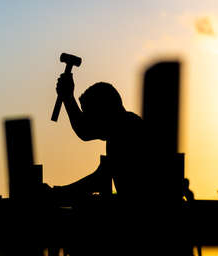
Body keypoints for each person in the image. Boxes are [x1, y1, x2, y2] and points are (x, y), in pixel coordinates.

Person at [49, 73, 152, 204]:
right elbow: (84, 129)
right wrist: (68, 97)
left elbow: (98, 180)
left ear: (103, 112)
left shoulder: (125, 134)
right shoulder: (126, 126)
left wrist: (55, 193)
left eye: (90, 115)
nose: (88, 121)